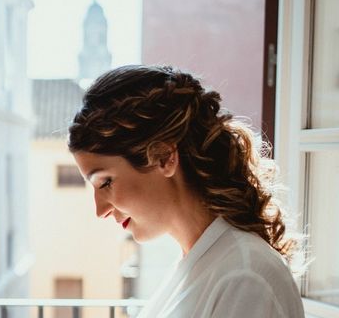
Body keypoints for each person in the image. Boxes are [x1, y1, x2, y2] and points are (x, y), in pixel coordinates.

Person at [68, 65, 305, 318]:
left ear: (164, 157)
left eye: (105, 183)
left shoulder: (244, 277)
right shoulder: (197, 264)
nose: (99, 210)